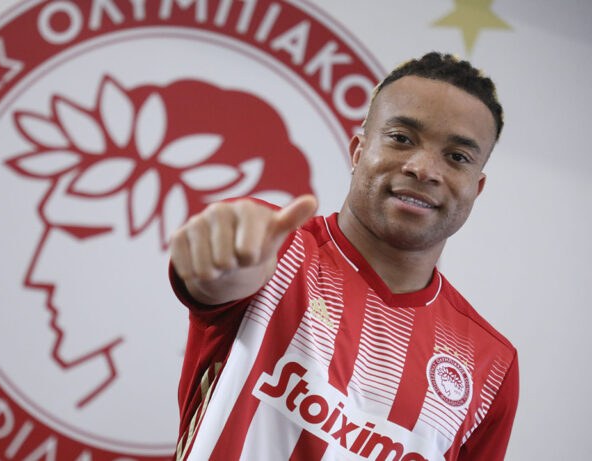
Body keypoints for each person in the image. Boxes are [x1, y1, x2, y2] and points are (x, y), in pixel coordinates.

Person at [168, 52, 519, 460]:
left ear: (476, 188)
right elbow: (219, 277)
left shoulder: (492, 365)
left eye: (457, 157)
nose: (424, 169)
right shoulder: (273, 249)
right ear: (358, 151)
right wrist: (216, 262)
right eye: (402, 138)